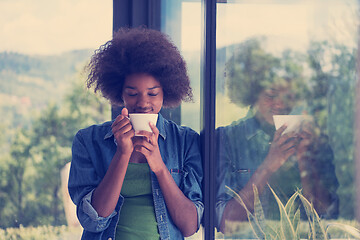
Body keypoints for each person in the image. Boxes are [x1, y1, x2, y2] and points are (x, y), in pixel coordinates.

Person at [68, 27, 203, 240]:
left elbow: (189, 226)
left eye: (152, 93)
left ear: (166, 92)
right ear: (119, 92)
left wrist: (159, 166)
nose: (142, 103)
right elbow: (94, 220)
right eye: (132, 94)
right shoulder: (88, 141)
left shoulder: (186, 141)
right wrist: (122, 154)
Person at [215, 39, 339, 234]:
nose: (281, 104)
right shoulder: (225, 139)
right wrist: (269, 165)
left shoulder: (313, 140)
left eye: (289, 96)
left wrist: (305, 161)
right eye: (271, 94)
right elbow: (225, 223)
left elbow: (326, 216)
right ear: (251, 92)